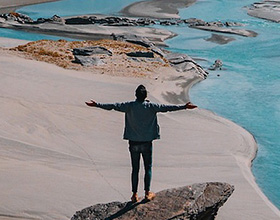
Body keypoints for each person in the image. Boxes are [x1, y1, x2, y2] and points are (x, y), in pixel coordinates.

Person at [85, 85, 197, 203]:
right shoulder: (151, 106)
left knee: (135, 168)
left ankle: (134, 195)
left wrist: (97, 104)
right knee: (147, 167)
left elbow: (113, 106)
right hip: (147, 142)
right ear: (145, 96)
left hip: (133, 142)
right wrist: (184, 106)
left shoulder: (129, 106)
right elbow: (167, 108)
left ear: (136, 95)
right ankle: (147, 193)